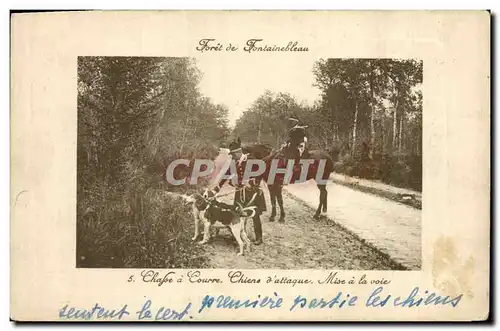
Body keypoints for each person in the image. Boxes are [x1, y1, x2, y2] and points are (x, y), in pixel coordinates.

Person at [212, 138, 266, 245]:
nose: (232, 156)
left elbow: (262, 170)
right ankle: (241, 234)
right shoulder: (234, 162)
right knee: (237, 212)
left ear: (238, 152)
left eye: (233, 154)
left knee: (254, 215)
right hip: (240, 191)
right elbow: (227, 174)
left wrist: (254, 182)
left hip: (252, 192)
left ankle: (259, 237)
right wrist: (218, 187)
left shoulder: (250, 159)